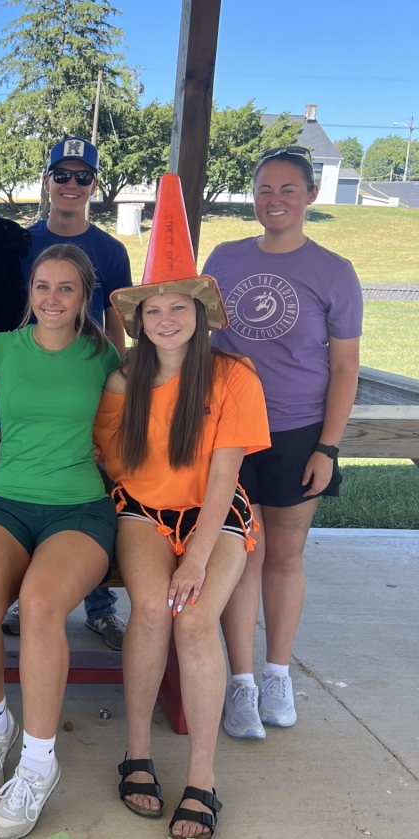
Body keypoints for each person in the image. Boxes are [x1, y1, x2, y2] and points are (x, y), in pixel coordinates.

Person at [96, 174, 271, 839]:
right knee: (148, 611)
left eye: (179, 306)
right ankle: (136, 751)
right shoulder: (123, 378)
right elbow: (113, 461)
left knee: (194, 619)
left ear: (200, 312)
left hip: (214, 515)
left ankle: (203, 776)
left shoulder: (233, 375)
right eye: (153, 309)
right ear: (138, 319)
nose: (165, 319)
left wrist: (196, 556)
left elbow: (226, 473)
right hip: (142, 512)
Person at [0, 243, 120, 839]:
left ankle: (37, 766)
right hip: (6, 500)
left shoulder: (104, 357)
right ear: (29, 292)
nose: (52, 298)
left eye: (66, 288)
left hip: (79, 506)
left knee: (43, 605)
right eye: (42, 286)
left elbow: (131, 421)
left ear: (84, 297)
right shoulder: (0, 349)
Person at [204, 146, 363, 739]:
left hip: (297, 428)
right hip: (227, 430)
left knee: (285, 554)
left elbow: (345, 367)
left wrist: (328, 447)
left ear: (311, 195)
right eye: (265, 189)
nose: (274, 200)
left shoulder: (333, 271)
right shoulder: (224, 257)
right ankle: (240, 682)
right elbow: (199, 338)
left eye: (288, 190)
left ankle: (277, 673)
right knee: (242, 552)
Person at [0, 138, 132, 651]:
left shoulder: (111, 250)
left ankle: (99, 607)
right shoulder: (24, 243)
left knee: (85, 477)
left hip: (88, 380)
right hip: (33, 378)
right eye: (61, 175)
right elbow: (4, 307)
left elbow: (117, 328)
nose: (71, 185)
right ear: (47, 180)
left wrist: (109, 395)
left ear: (94, 184)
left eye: (82, 176)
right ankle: (27, 596)